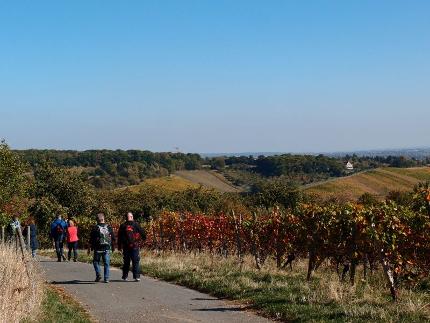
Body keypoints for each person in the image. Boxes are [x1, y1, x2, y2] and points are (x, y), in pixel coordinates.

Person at [118, 212, 146, 282]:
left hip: (126, 246)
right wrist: (143, 240)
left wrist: (119, 246)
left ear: (126, 218)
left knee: (126, 262)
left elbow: (119, 237)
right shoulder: (136, 224)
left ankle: (125, 276)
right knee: (135, 261)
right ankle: (136, 277)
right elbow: (142, 233)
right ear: (132, 217)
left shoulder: (123, 225)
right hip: (134, 246)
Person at [90, 213, 115, 283]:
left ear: (97, 220)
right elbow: (113, 238)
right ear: (103, 219)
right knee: (106, 263)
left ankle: (98, 275)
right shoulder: (109, 227)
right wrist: (113, 247)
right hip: (106, 248)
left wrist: (91, 248)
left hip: (98, 248)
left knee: (95, 262)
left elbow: (91, 239)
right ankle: (106, 278)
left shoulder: (95, 227)